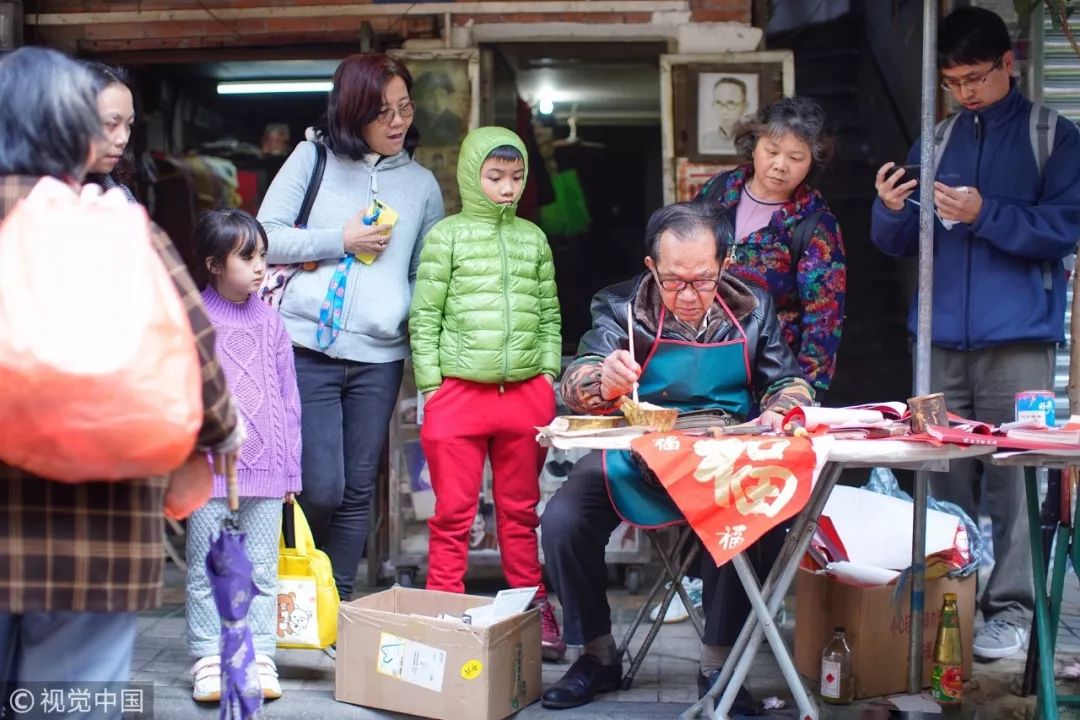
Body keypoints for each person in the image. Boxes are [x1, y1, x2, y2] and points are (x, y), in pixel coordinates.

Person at [0, 46, 239, 703]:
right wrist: (218, 434)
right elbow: (200, 369)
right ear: (71, 131)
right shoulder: (120, 228)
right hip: (98, 542)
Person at [539, 201, 813, 710]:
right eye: (673, 281)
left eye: (702, 280)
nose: (688, 295)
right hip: (639, 451)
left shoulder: (753, 306)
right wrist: (603, 380)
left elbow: (790, 381)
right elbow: (573, 386)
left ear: (724, 265)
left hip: (721, 452)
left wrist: (782, 409)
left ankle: (717, 666)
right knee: (563, 519)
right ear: (652, 268)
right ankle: (597, 655)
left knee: (743, 518)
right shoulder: (621, 308)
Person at [871, 6, 1080, 660]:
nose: (965, 91)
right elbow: (899, 242)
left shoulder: (1054, 136)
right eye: (954, 80)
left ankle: (1010, 612)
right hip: (938, 341)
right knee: (940, 479)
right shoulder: (933, 143)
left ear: (1008, 64)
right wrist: (891, 209)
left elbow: (1065, 228)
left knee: (1016, 481)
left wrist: (987, 213)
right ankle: (946, 606)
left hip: (1019, 340)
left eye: (976, 77)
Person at [257, 53, 444, 615]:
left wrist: (407, 321)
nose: (397, 122)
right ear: (351, 112)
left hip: (379, 355)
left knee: (360, 487)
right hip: (306, 345)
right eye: (381, 111)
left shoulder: (421, 184)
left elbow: (423, 271)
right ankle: (283, 591)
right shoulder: (310, 158)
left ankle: (331, 612)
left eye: (404, 107)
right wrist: (339, 239)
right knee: (322, 487)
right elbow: (264, 236)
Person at [409, 126, 564, 659]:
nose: (507, 188)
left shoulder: (533, 238)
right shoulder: (446, 236)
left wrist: (547, 378)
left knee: (520, 513)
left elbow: (549, 314)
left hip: (525, 396)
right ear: (472, 176)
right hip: (457, 393)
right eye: (495, 176)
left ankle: (531, 608)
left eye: (517, 177)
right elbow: (424, 315)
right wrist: (430, 385)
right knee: (453, 512)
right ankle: (443, 613)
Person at [186, 210, 302, 702]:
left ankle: (261, 657)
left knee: (260, 567)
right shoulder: (193, 320)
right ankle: (210, 656)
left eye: (262, 256)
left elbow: (288, 398)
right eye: (247, 257)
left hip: (268, 467)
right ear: (214, 263)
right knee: (205, 565)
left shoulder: (272, 322)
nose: (260, 268)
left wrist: (291, 467)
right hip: (208, 469)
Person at [697, 96, 846, 398]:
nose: (780, 165)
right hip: (700, 365)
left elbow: (823, 320)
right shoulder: (718, 191)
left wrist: (803, 394)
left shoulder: (814, 225)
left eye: (795, 157)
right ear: (754, 147)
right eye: (772, 151)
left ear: (811, 163)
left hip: (769, 378)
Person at [83, 61, 138, 202]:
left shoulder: (123, 196)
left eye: (129, 124)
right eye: (112, 124)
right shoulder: (37, 199)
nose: (124, 139)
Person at [699, 77, 749, 154]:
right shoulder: (703, 142)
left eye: (731, 103)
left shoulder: (754, 141)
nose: (724, 111)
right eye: (718, 103)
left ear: (744, 106)